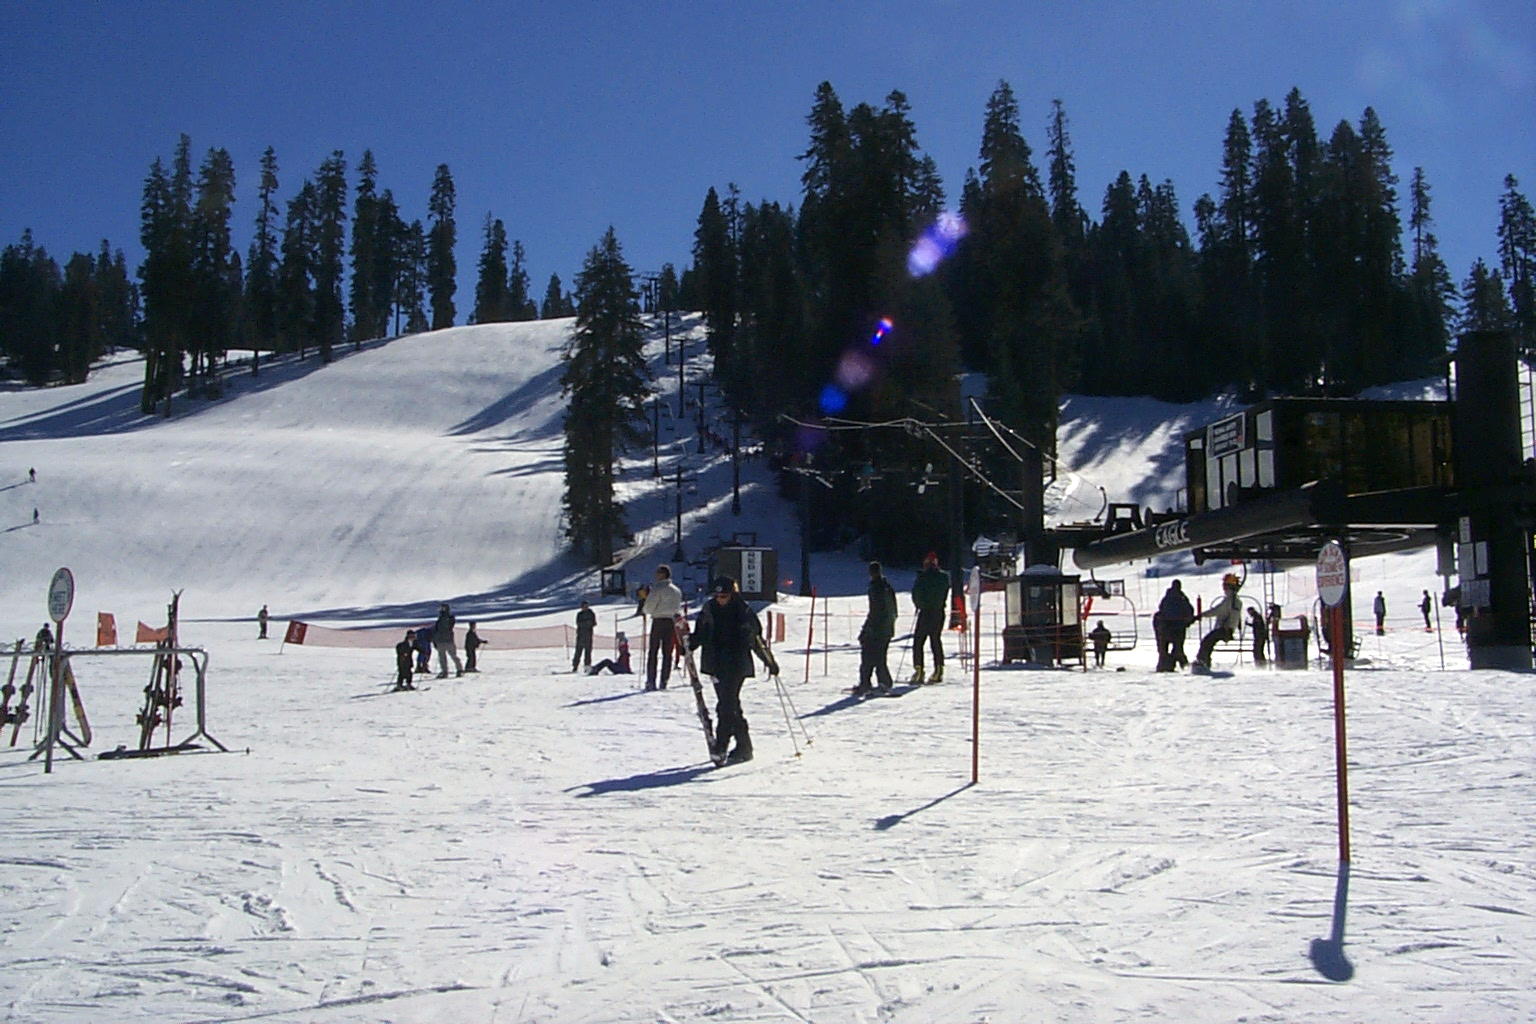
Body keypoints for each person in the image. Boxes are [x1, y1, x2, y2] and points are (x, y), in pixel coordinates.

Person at [688, 576, 778, 764]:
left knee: (725, 706)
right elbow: (700, 634)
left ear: (733, 594)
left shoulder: (742, 611)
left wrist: (769, 661)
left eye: (724, 596)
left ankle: (721, 747)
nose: (721, 599)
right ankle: (745, 747)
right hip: (715, 665)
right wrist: (688, 645)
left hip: (736, 665)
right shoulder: (708, 609)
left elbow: (756, 639)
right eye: (718, 595)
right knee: (731, 706)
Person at [855, 561, 897, 694]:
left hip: (878, 628)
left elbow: (876, 611)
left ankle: (868, 684)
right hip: (887, 628)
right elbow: (893, 610)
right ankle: (882, 682)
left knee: (868, 656)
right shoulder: (887, 586)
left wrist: (867, 629)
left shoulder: (876, 588)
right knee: (879, 657)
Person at [909, 551, 949, 683]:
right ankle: (939, 669)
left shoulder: (922, 577)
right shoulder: (944, 577)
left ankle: (919, 670)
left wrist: (919, 605)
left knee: (918, 641)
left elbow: (916, 594)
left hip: (926, 612)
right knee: (935, 640)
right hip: (939, 612)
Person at [641, 565, 682, 691]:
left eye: (658, 573)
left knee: (653, 652)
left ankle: (651, 681)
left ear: (663, 574)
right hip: (671, 622)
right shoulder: (676, 590)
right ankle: (664, 680)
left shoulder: (658, 589)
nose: (656, 575)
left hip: (658, 620)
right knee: (667, 653)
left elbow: (649, 607)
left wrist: (645, 610)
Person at [1193, 574, 1244, 672]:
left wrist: (1201, 615)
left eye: (1225, 585)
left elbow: (1218, 610)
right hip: (1228, 629)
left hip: (1224, 628)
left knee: (1206, 641)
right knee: (1208, 641)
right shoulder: (1236, 601)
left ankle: (1203, 661)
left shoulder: (1229, 600)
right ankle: (1204, 660)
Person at [1155, 580, 1194, 672]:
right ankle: (1183, 665)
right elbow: (1189, 611)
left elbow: (1161, 609)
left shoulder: (1167, 598)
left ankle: (1164, 665)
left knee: (1164, 650)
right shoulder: (1182, 598)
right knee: (1178, 648)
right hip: (1178, 628)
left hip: (1165, 628)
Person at [432, 602, 462, 678]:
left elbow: (449, 626)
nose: (442, 610)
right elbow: (436, 630)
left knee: (453, 655)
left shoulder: (450, 618)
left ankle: (459, 669)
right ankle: (445, 671)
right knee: (442, 657)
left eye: (443, 608)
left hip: (448, 640)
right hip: (441, 640)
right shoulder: (439, 619)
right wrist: (435, 640)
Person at [572, 600, 596, 673]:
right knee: (578, 652)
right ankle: (575, 666)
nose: (585, 607)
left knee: (588, 653)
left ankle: (587, 667)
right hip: (580, 636)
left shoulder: (591, 613)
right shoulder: (579, 614)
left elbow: (593, 623)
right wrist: (586, 623)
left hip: (588, 636)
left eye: (586, 606)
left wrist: (587, 624)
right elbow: (578, 623)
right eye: (583, 606)